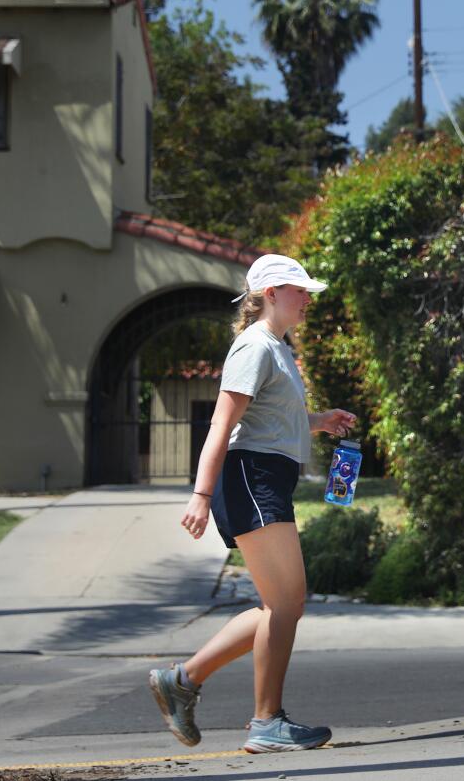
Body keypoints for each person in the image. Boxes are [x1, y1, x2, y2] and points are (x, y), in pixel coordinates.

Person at [148, 254, 356, 754]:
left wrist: (319, 420)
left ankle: (183, 679)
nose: (307, 297)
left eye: (307, 290)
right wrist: (199, 495)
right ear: (268, 294)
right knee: (288, 603)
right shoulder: (254, 347)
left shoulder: (279, 350)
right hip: (251, 477)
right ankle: (267, 722)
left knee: (277, 606)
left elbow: (272, 421)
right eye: (298, 289)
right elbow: (222, 425)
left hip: (266, 477)